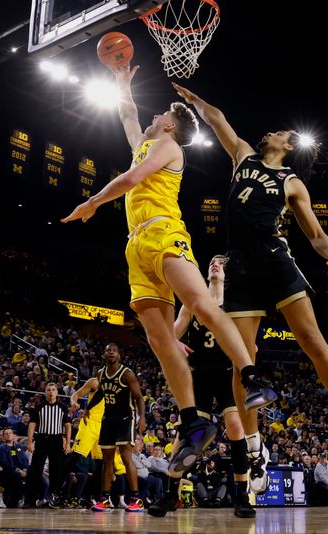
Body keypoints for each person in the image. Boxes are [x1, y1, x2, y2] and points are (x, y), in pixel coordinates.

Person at [62, 64, 276, 477]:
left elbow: (132, 178)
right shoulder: (145, 143)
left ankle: (252, 377)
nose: (152, 116)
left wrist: (92, 202)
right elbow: (127, 115)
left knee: (200, 303)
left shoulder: (169, 149)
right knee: (161, 342)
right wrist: (122, 81)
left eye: (160, 114)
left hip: (164, 233)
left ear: (171, 126)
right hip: (135, 247)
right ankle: (192, 417)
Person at [172, 83, 328, 495]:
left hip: (275, 259)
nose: (272, 132)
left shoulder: (292, 182)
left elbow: (314, 231)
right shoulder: (243, 155)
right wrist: (195, 100)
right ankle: (253, 451)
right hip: (240, 267)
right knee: (242, 358)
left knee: (312, 339)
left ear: (287, 147)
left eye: (281, 133)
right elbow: (218, 120)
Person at [148, 255, 255, 518]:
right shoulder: (193, 302)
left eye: (222, 264)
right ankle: (170, 493)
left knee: (235, 426)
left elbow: (250, 346)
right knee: (187, 435)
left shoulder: (235, 306)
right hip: (200, 376)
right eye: (212, 263)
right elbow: (167, 337)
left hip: (228, 375)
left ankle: (242, 495)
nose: (215, 265)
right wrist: (174, 345)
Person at [70, 343, 145, 512]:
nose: (111, 353)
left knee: (126, 457)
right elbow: (101, 393)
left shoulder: (127, 374)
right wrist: (88, 408)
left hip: (126, 418)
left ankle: (136, 498)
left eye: (114, 351)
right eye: (108, 350)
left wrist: (142, 419)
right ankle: (104, 498)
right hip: (108, 419)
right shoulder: (100, 374)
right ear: (104, 354)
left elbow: (139, 397)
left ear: (119, 355)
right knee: (107, 459)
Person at [25, 383, 71, 508]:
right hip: (41, 439)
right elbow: (32, 424)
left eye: (53, 390)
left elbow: (67, 425)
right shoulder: (39, 407)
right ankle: (29, 500)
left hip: (56, 440)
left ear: (57, 392)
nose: (51, 392)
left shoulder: (63, 407)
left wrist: (67, 443)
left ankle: (54, 499)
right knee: (35, 469)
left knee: (56, 471)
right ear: (45, 392)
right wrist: (29, 442)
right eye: (48, 390)